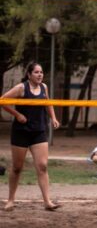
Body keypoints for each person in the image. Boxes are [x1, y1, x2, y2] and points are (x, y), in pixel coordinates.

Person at [1, 62, 61, 211]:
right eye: (36, 72)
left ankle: (47, 202)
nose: (40, 74)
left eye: (41, 72)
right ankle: (10, 200)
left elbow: (48, 103)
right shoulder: (21, 87)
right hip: (21, 132)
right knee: (17, 168)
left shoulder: (44, 87)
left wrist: (53, 118)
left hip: (39, 131)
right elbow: (2, 101)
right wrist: (17, 114)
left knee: (42, 166)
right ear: (29, 74)